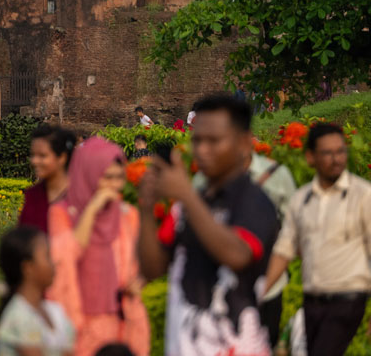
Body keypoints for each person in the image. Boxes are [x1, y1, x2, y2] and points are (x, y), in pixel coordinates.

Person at [138, 93, 278, 356]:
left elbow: (238, 255)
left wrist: (187, 196)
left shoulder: (255, 201)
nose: (202, 150)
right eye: (197, 140)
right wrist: (146, 208)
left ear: (243, 143)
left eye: (213, 141)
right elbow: (152, 268)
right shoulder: (188, 205)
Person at [264, 122, 371, 356]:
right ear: (310, 157)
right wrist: (258, 294)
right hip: (312, 302)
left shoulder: (363, 195)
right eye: (327, 153)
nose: (336, 159)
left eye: (340, 151)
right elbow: (284, 250)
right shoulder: (301, 200)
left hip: (347, 300)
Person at [47, 137, 149, 356]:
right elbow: (67, 254)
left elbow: (134, 266)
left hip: (121, 324)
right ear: (88, 174)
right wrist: (92, 209)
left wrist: (137, 281)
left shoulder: (127, 215)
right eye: (107, 177)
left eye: (119, 178)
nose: (115, 186)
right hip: (79, 323)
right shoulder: (61, 213)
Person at [192, 142, 297, 348]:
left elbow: (292, 231)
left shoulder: (277, 175)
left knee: (263, 344)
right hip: (219, 291)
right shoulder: (202, 181)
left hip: (268, 287)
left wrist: (270, 278)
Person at [0, 225, 75, 356]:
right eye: (47, 256)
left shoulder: (55, 311)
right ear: (28, 267)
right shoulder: (18, 317)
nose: (54, 263)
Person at [18, 125, 77, 234]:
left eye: (42, 156)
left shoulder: (78, 197)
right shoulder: (33, 196)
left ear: (62, 157)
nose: (34, 161)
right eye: (33, 155)